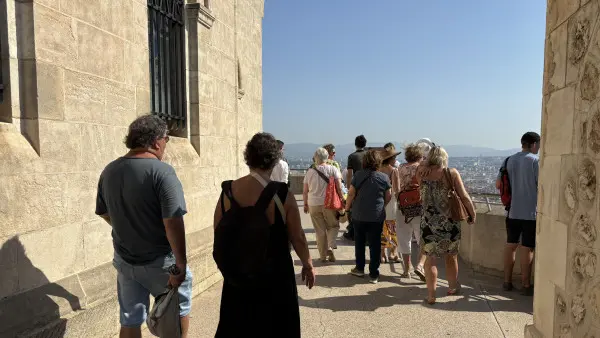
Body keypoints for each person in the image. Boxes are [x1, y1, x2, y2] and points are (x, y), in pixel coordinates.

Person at [95, 115, 193, 338]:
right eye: (167, 140)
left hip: (125, 260)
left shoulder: (109, 170)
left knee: (130, 320)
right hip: (161, 261)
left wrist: (127, 226)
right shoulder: (162, 172)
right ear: (157, 141)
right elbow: (173, 221)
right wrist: (181, 263)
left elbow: (103, 212)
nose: (165, 146)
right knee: (176, 313)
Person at [213, 132, 315, 338]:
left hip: (238, 275)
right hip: (275, 275)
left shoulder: (228, 191)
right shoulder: (281, 194)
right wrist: (308, 263)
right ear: (274, 160)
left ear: (248, 157)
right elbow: (297, 237)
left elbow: (218, 230)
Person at [418, 146, 475, 304]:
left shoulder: (421, 173)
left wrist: (424, 164)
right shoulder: (451, 173)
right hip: (450, 223)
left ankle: (431, 295)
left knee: (430, 259)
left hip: (428, 223)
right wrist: (472, 214)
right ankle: (452, 287)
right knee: (451, 257)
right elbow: (464, 196)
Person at [495, 132, 540, 296]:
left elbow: (498, 184)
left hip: (512, 212)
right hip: (530, 213)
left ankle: (507, 282)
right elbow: (542, 185)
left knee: (511, 246)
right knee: (527, 249)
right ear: (533, 144)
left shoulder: (508, 160)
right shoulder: (535, 161)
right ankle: (526, 285)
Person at [344, 149, 392, 284]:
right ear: (378, 162)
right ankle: (374, 274)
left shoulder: (358, 175)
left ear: (364, 162)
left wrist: (347, 208)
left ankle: (359, 269)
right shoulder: (384, 177)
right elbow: (388, 196)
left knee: (359, 242)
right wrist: (380, 205)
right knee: (375, 244)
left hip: (359, 214)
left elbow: (351, 193)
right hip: (376, 216)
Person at [303, 147, 345, 262]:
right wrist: (342, 200)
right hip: (329, 203)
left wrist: (305, 204)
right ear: (327, 157)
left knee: (319, 230)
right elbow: (339, 187)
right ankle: (331, 246)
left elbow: (305, 190)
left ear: (315, 158)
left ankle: (322, 256)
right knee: (333, 226)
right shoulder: (333, 169)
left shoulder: (310, 172)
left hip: (313, 204)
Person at [396, 143, 427, 280]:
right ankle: (420, 266)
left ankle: (406, 269)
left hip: (402, 207)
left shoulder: (400, 168)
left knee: (404, 239)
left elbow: (396, 188)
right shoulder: (420, 168)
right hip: (418, 207)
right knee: (423, 239)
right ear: (419, 156)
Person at [379, 148, 401, 263]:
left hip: (379, 202)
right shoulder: (394, 171)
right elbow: (397, 190)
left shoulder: (377, 170)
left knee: (382, 229)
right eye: (394, 157)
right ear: (390, 159)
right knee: (393, 228)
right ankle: (393, 253)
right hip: (391, 203)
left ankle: (382, 255)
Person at [344, 135, 368, 240]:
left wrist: (349, 187)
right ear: (365, 144)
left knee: (353, 210)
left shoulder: (352, 156)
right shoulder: (369, 155)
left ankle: (353, 232)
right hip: (369, 184)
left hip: (357, 185)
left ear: (355, 144)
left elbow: (349, 174)